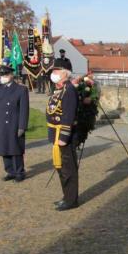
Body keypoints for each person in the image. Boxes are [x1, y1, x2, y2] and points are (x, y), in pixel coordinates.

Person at [0, 65, 29, 182]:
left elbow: (24, 109)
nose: (4, 77)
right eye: (2, 75)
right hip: (0, 124)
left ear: (11, 75)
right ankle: (10, 171)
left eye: (6, 74)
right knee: (4, 147)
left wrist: (22, 126)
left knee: (15, 149)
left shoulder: (21, 89)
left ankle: (19, 172)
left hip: (13, 123)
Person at [47, 58, 79, 211]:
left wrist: (63, 137)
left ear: (65, 73)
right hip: (56, 135)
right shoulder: (59, 89)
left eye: (56, 71)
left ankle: (71, 200)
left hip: (63, 136)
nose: (53, 74)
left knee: (68, 169)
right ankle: (66, 196)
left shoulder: (69, 90)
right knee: (61, 168)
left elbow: (68, 115)